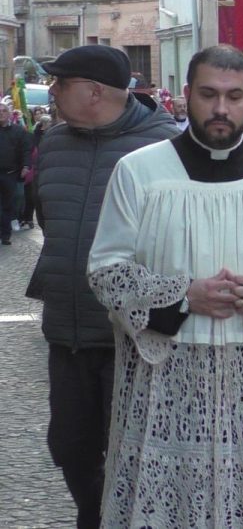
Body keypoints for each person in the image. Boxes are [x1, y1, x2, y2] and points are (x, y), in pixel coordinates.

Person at [85, 45, 243, 526]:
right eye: (209, 95)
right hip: (166, 377)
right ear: (186, 96)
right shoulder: (139, 172)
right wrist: (180, 296)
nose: (221, 108)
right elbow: (106, 269)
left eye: (234, 96)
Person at [27, 45, 176, 528]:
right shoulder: (52, 143)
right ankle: (94, 515)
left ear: (94, 92)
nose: (51, 93)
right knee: (71, 448)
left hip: (133, 339)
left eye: (59, 84)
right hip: (67, 334)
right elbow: (50, 222)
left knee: (137, 455)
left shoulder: (166, 150)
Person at [0, 102, 30, 245]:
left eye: (4, 111)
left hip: (9, 173)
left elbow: (25, 150)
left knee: (8, 205)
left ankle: (5, 234)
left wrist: (25, 165)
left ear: (9, 113)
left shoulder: (18, 131)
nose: (1, 113)